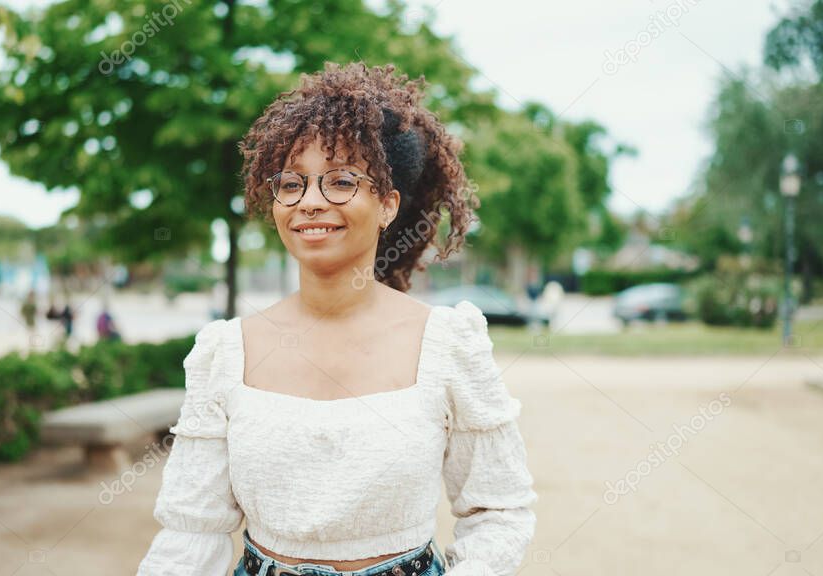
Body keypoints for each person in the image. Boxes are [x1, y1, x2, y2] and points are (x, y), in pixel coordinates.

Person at [137, 62, 538, 576]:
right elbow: (192, 530)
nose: (310, 202)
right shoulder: (226, 352)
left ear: (388, 204)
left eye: (342, 181)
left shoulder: (447, 344)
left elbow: (498, 511)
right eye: (291, 184)